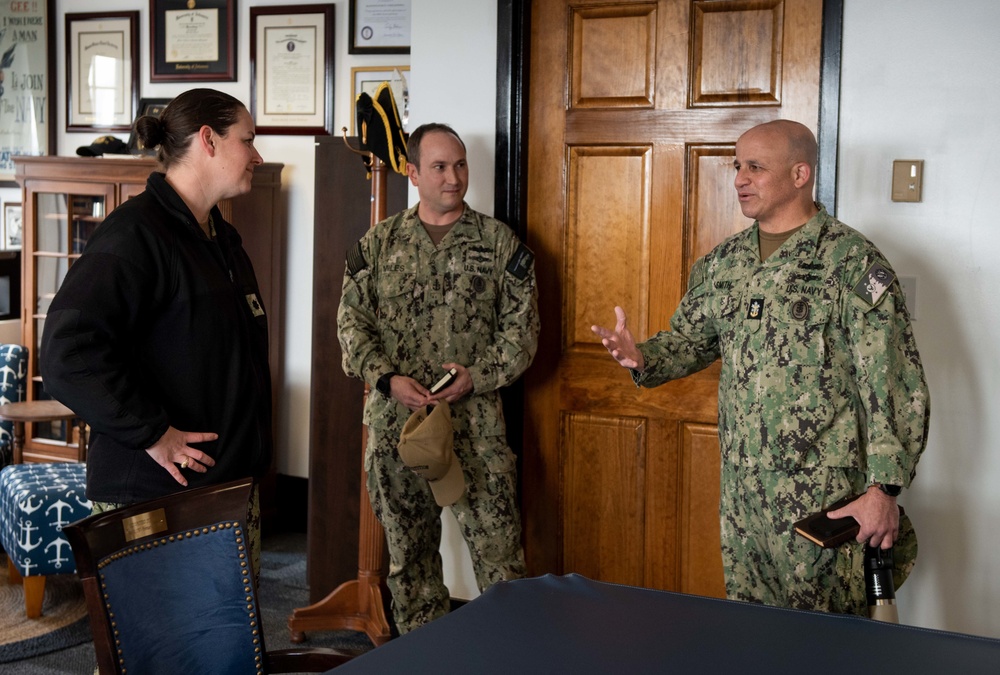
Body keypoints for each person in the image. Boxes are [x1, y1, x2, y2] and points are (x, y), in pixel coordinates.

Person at [591, 119, 930, 615]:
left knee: (826, 639)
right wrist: (642, 357)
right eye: (737, 166)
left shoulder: (852, 263)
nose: (739, 179)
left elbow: (892, 381)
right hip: (744, 493)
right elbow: (690, 339)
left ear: (800, 174)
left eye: (755, 167)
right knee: (751, 628)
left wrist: (883, 490)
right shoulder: (724, 263)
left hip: (823, 496)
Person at [40, 89, 271, 569]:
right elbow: (69, 353)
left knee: (227, 645)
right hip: (155, 498)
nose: (257, 155)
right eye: (247, 141)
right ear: (208, 140)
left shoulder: (221, 239)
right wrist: (154, 433)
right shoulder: (135, 233)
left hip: (223, 490)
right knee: (166, 646)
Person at [337, 122, 539, 633]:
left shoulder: (498, 244)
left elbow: (523, 333)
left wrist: (478, 375)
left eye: (461, 164)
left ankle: (510, 663)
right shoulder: (378, 244)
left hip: (476, 430)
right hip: (398, 430)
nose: (454, 178)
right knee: (412, 566)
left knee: (502, 567)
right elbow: (350, 325)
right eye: (440, 167)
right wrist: (386, 379)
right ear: (412, 173)